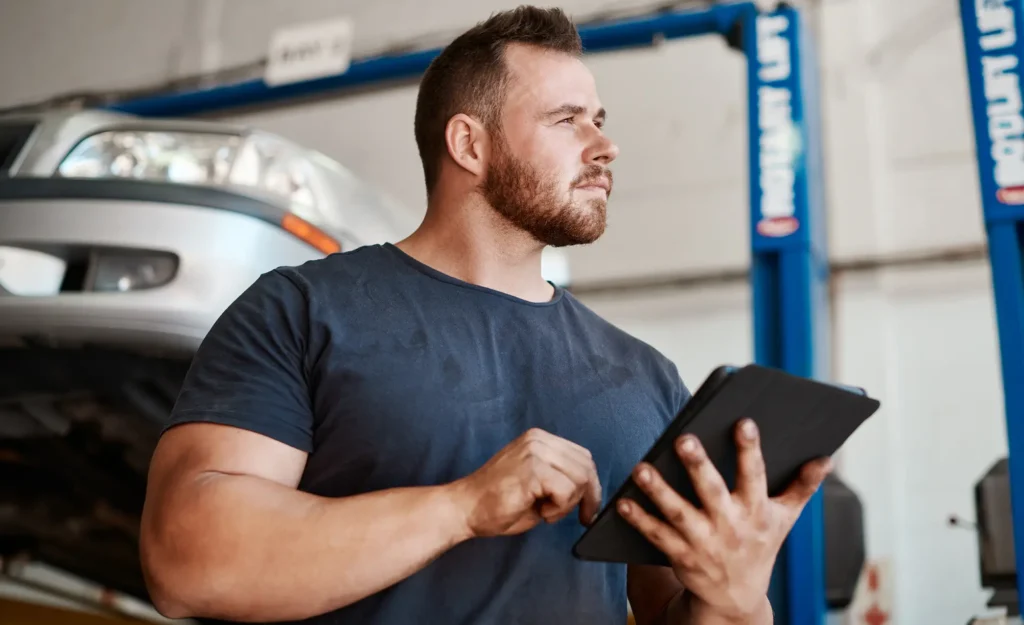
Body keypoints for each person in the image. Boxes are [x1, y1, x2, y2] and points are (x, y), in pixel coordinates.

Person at [139, 6, 832, 625]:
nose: (603, 145)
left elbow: (662, 614)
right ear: (469, 145)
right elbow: (186, 560)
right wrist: (461, 506)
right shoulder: (301, 311)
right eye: (567, 120)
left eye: (599, 121)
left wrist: (735, 598)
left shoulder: (645, 377)